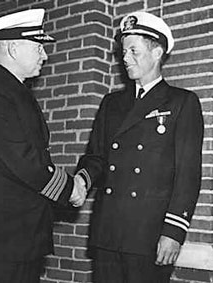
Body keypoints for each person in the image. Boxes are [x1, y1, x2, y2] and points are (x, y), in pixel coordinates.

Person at [76, 11, 204, 283]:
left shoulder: (181, 103)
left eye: (134, 50)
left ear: (157, 52)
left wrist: (173, 231)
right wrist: (81, 180)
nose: (125, 58)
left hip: (149, 234)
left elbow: (187, 175)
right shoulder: (111, 104)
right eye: (124, 51)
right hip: (108, 230)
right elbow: (96, 157)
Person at [0, 8, 86, 283]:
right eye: (39, 46)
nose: (45, 54)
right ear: (15, 49)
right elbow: (21, 159)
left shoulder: (11, 90)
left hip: (16, 238)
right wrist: (69, 188)